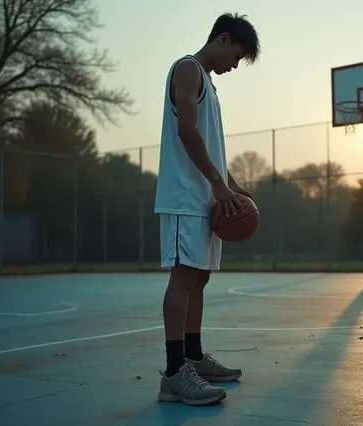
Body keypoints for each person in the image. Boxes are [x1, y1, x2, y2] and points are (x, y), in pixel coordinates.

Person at [153, 12, 260, 406]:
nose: (235, 65)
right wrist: (216, 183)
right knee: (183, 277)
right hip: (186, 195)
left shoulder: (209, 85)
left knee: (199, 279)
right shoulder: (187, 69)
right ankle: (174, 373)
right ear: (223, 38)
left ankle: (194, 357)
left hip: (206, 195)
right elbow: (186, 130)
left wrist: (231, 185)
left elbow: (210, 144)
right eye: (237, 55)